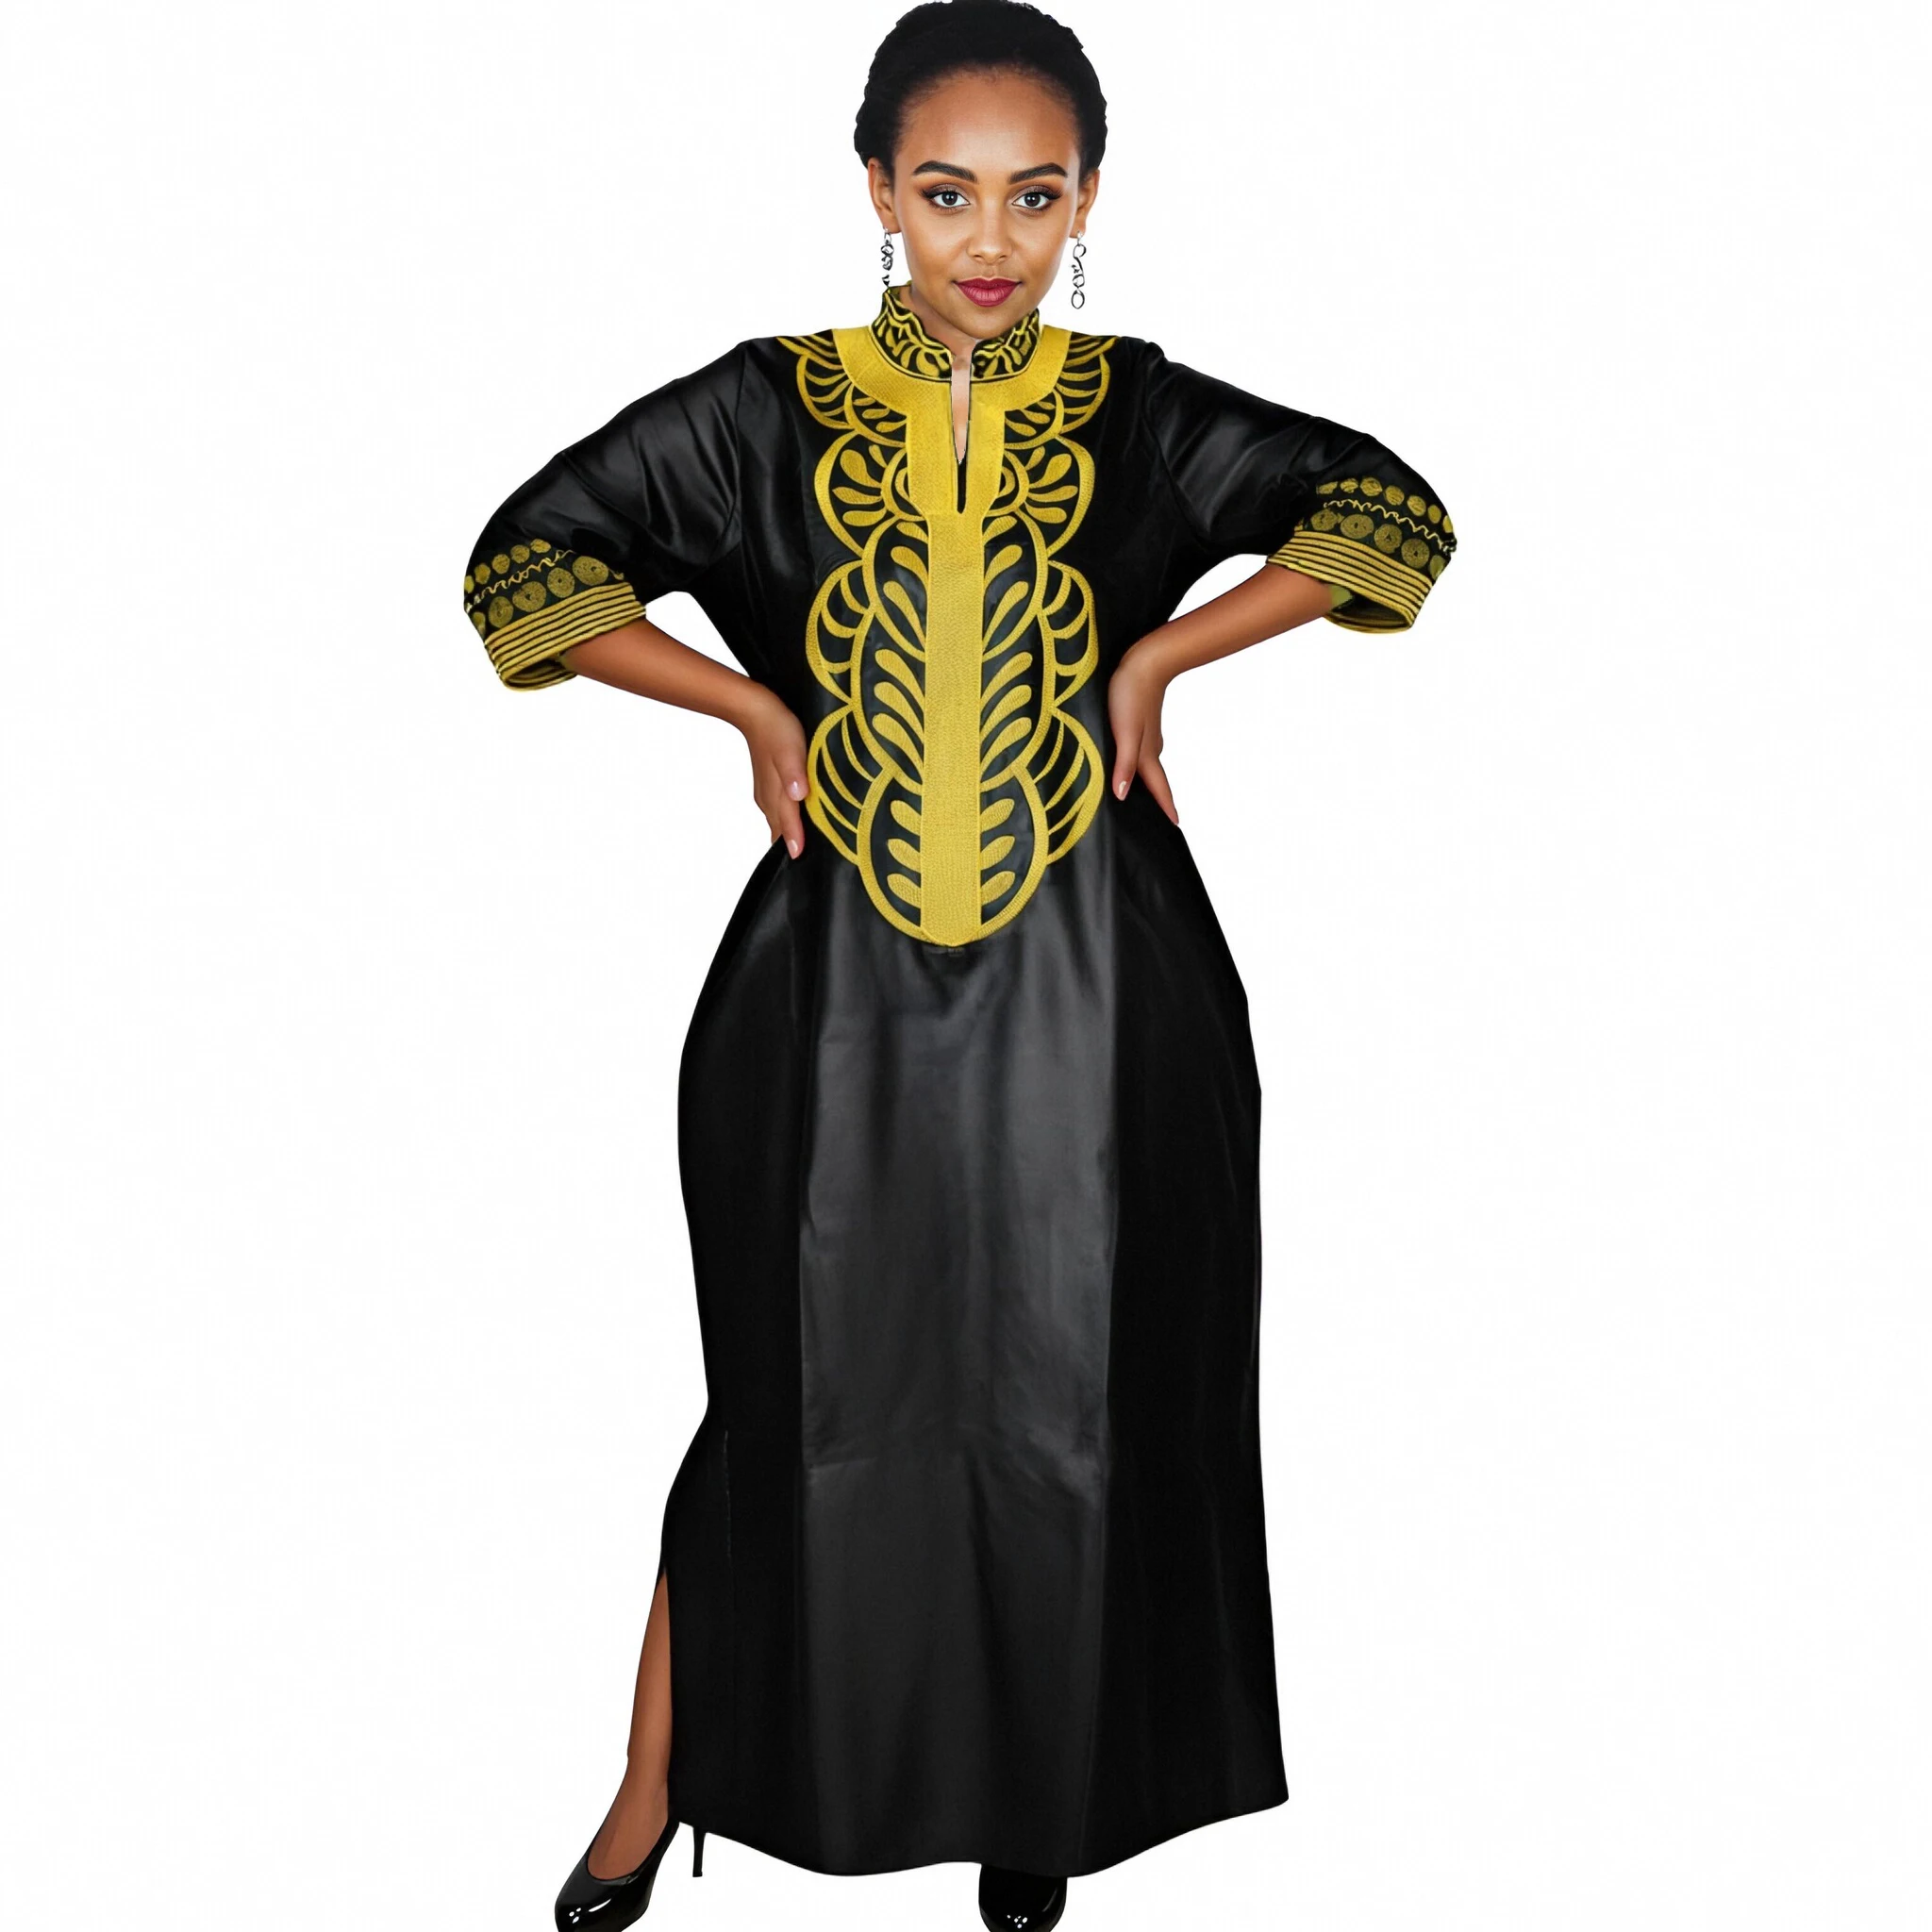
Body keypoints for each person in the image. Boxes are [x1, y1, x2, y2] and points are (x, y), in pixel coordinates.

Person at [458, 4, 1457, 1926]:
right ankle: (649, 1783)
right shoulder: (759, 410)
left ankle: (1037, 1795)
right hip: (823, 1000)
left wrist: (1161, 655)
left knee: (1079, 1393)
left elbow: (1390, 517)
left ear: (1087, 200)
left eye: (1034, 194)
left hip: (1109, 999)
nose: (989, 239)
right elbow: (525, 571)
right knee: (790, 1396)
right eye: (945, 193)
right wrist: (748, 703)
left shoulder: (1140, 411)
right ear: (875, 192)